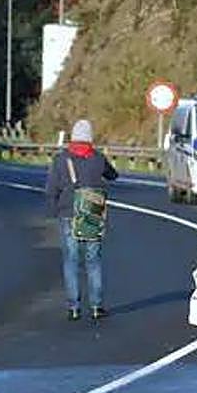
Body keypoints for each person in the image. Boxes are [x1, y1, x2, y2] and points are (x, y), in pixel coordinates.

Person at [45, 119, 118, 321]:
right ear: (90, 137)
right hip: (93, 212)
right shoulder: (97, 158)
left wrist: (54, 211)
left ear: (73, 137)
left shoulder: (60, 160)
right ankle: (96, 306)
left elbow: (51, 190)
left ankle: (74, 307)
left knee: (71, 261)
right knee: (93, 261)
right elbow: (113, 175)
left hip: (68, 213)